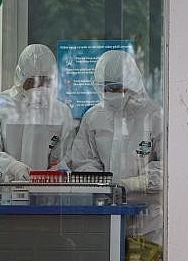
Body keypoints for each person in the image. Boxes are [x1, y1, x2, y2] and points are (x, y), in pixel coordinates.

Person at [70, 50, 163, 245]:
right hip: (106, 217)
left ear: (131, 83)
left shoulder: (155, 116)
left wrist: (135, 183)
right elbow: (83, 160)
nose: (110, 93)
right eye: (106, 88)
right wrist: (102, 185)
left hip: (149, 223)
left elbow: (169, 167)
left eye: (116, 87)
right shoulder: (93, 117)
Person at [0, 44, 76, 181]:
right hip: (3, 190)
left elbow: (67, 155)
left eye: (44, 82)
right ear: (20, 77)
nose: (38, 87)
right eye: (33, 82)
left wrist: (54, 172)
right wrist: (12, 167)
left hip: (46, 191)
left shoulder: (61, 112)